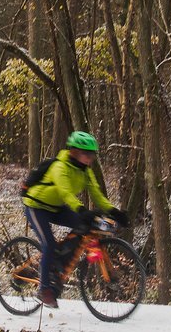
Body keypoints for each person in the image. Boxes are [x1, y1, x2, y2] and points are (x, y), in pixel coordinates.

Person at [21, 131, 127, 307]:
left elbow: (97, 194)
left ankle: (57, 263)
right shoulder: (59, 167)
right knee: (49, 244)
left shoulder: (85, 172)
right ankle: (44, 288)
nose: (89, 158)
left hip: (55, 208)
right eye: (86, 154)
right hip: (36, 206)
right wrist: (80, 209)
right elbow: (65, 192)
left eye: (91, 155)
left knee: (84, 226)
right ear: (74, 152)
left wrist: (115, 211)